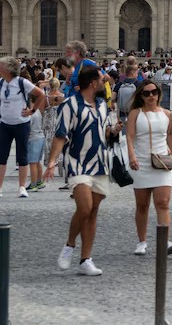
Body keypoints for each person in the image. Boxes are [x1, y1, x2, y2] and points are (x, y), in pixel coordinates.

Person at [45, 66, 122, 276]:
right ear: (93, 83)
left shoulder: (102, 104)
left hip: (100, 162)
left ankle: (86, 259)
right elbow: (60, 135)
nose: (105, 82)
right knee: (85, 208)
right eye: (102, 79)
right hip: (77, 162)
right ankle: (70, 244)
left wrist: (114, 130)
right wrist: (52, 162)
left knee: (93, 211)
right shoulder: (70, 105)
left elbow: (104, 131)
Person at [125, 79, 172, 256]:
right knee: (142, 205)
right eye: (146, 93)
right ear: (141, 96)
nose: (151, 96)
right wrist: (132, 156)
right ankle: (141, 241)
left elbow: (171, 138)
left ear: (159, 94)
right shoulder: (135, 113)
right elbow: (129, 137)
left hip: (162, 163)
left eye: (154, 92)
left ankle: (164, 241)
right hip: (141, 162)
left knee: (163, 203)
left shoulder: (167, 114)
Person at [0, 56, 48, 197]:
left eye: (1, 65)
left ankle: (22, 187)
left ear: (9, 68)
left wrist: (32, 111)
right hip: (4, 124)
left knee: (22, 156)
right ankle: (0, 187)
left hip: (21, 124)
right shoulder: (1, 83)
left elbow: (40, 95)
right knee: (1, 156)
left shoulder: (22, 82)